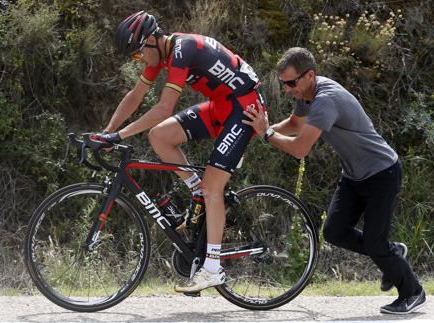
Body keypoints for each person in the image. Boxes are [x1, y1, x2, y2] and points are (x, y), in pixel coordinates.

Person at [243, 47, 426, 315]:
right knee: (334, 232)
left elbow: (300, 149)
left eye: (291, 83)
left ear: (310, 75)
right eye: (284, 84)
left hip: (382, 173)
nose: (287, 89)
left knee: (376, 244)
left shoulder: (325, 100)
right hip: (353, 176)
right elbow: (295, 123)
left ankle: (413, 292)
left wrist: (267, 134)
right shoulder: (307, 94)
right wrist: (259, 130)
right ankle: (392, 253)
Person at [98, 11, 264, 293]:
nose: (139, 61)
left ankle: (213, 268)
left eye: (138, 55)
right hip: (221, 106)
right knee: (160, 136)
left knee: (214, 186)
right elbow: (136, 95)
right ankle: (196, 189)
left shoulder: (182, 49)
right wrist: (107, 131)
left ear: (151, 40)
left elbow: (163, 108)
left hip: (244, 109)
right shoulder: (160, 54)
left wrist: (121, 135)